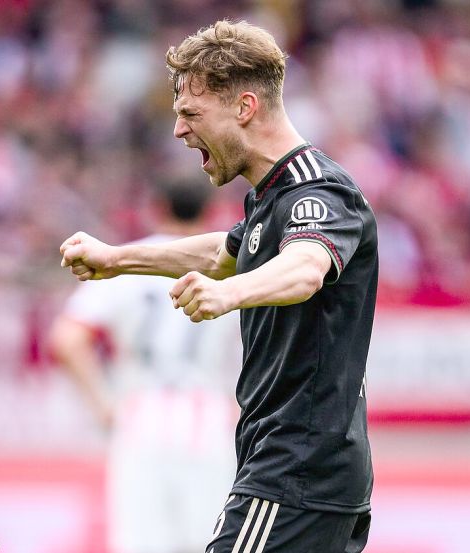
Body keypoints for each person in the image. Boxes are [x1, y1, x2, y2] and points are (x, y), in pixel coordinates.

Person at [60, 20, 375, 553]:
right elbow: (221, 254)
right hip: (301, 469)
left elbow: (305, 267)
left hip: (295, 468)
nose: (179, 130)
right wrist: (116, 259)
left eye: (191, 113)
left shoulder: (316, 192)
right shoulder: (273, 198)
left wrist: (230, 294)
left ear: (245, 107)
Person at [50, 180, 239, 553]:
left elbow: (67, 338)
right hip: (207, 416)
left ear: (158, 208)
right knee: (212, 542)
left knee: (143, 543)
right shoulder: (230, 264)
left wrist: (104, 406)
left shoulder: (128, 261)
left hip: (141, 414)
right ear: (211, 211)